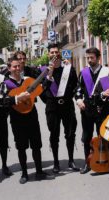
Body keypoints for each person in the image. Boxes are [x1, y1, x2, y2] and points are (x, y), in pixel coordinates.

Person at [0, 56, 54, 184]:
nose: (17, 68)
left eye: (19, 66)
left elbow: (42, 88)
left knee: (36, 145)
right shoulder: (5, 84)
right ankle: (24, 173)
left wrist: (49, 75)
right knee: (21, 147)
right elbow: (1, 101)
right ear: (9, 68)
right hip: (17, 118)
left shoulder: (29, 80)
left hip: (32, 117)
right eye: (14, 66)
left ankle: (39, 171)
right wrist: (17, 98)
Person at [41, 43, 79, 173]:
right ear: (48, 54)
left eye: (56, 52)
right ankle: (56, 162)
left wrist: (70, 96)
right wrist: (50, 74)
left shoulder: (68, 69)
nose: (54, 54)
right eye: (52, 52)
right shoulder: (44, 71)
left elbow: (75, 85)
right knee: (54, 134)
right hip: (52, 107)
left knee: (70, 133)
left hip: (67, 105)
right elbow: (42, 89)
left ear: (60, 53)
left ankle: (71, 160)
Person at [75, 47, 109, 174]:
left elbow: (108, 92)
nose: (89, 60)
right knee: (87, 137)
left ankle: (105, 161)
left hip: (102, 109)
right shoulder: (84, 73)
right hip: (87, 109)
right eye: (88, 58)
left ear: (98, 58)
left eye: (92, 57)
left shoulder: (105, 72)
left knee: (103, 136)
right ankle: (87, 163)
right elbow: (78, 89)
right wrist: (78, 100)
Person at [94, 56, 109, 183]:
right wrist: (102, 94)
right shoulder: (103, 81)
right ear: (108, 65)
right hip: (108, 118)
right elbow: (95, 98)